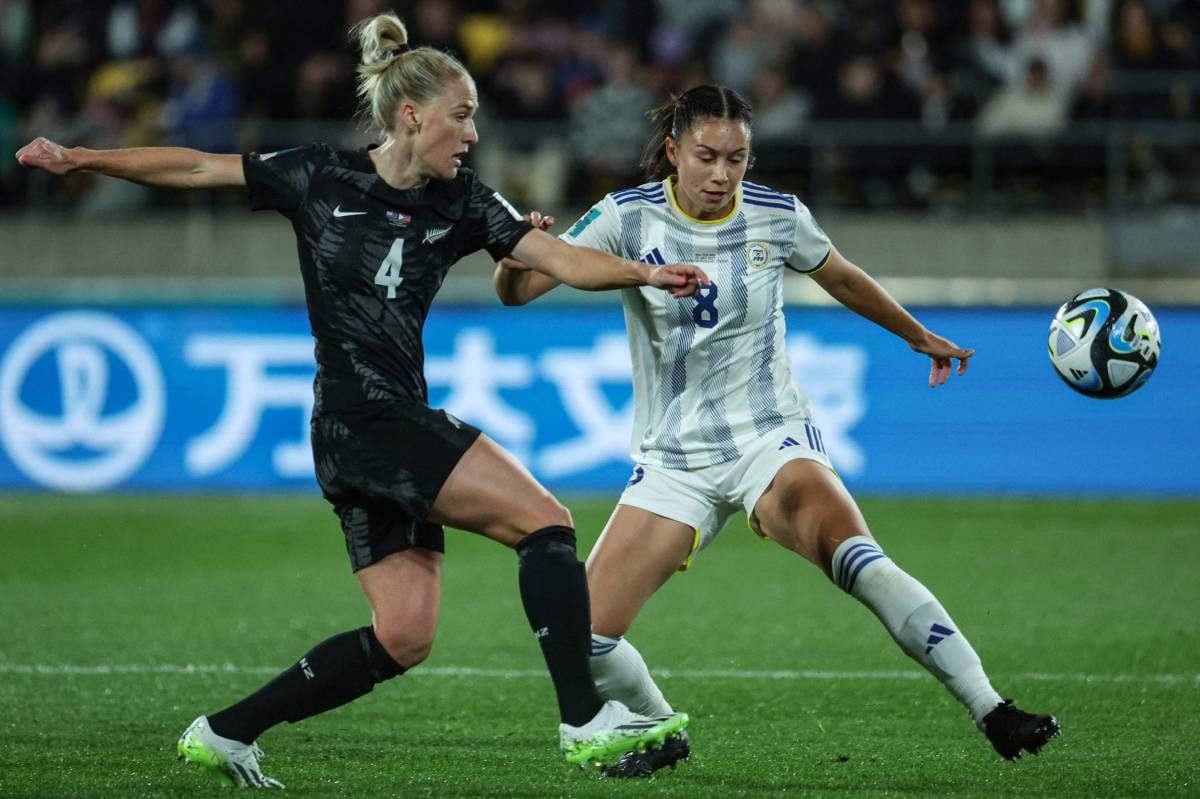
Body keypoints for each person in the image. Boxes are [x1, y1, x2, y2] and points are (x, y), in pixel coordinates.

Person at [16, 13, 704, 789]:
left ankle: (225, 730)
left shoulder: (464, 200)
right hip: (363, 420)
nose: (472, 134)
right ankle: (584, 720)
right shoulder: (318, 175)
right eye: (462, 115)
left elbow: (557, 259)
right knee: (545, 521)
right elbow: (197, 169)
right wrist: (82, 157)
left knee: (404, 636)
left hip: (372, 432)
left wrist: (645, 274)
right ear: (412, 117)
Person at [494, 84, 1061, 772]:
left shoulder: (777, 217)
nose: (722, 173)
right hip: (676, 455)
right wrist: (512, 256)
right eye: (707, 155)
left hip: (771, 433)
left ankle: (991, 707)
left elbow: (843, 277)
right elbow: (522, 290)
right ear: (674, 151)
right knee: (583, 636)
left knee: (855, 554)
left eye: (738, 158)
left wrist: (916, 334)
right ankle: (656, 725)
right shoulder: (626, 216)